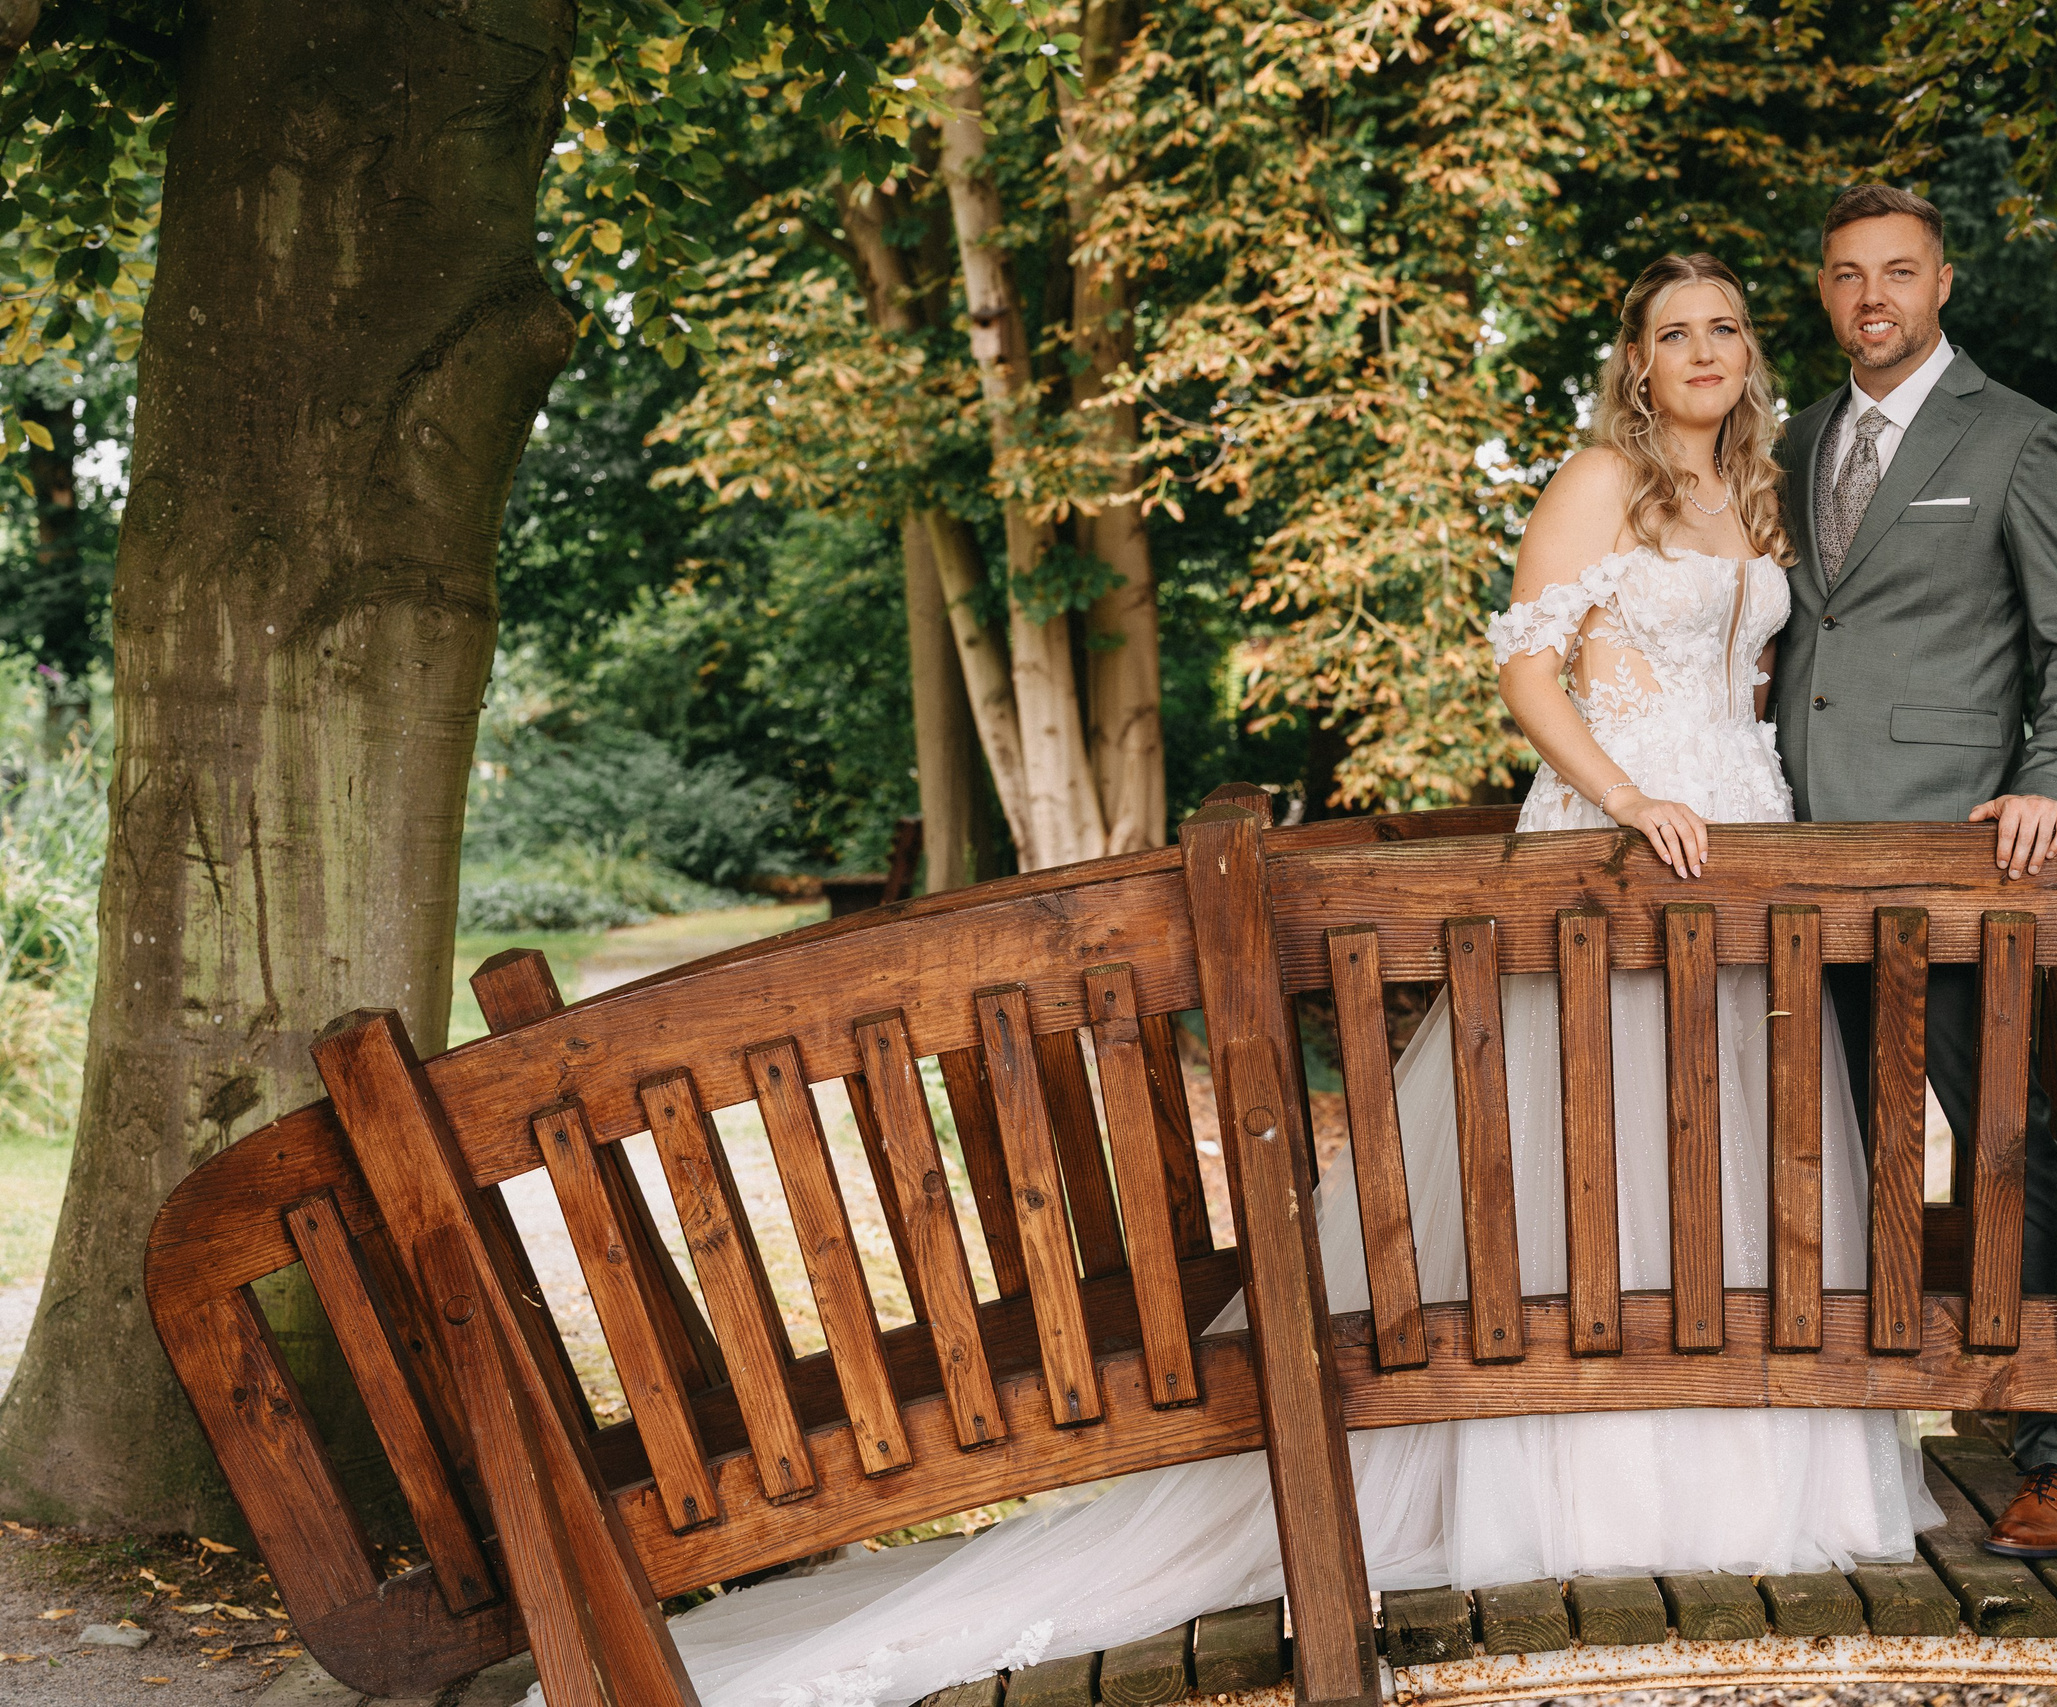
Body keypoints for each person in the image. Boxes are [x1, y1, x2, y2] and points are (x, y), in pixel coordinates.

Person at [536, 251, 1940, 1707]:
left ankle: (1757, 1488)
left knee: (1728, 1158)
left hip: (1753, 849)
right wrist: (1633, 797)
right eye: (1672, 332)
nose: (1701, 351)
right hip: (1614, 843)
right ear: (1636, 362)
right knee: (1590, 1159)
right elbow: (1529, 675)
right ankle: (1592, 1496)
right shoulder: (1598, 481)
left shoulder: (1763, 493)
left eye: (1723, 328)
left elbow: (1771, 681)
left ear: (1746, 355)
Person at [1767, 183, 2057, 1560]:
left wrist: (2053, 779)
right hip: (1794, 867)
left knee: (2016, 1144)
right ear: (1824, 292)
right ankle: (1849, 1430)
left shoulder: (2018, 436)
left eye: (1899, 273)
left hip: (1961, 865)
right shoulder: (1791, 442)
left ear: (1943, 285)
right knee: (1822, 1153)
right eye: (1849, 274)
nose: (1874, 297)